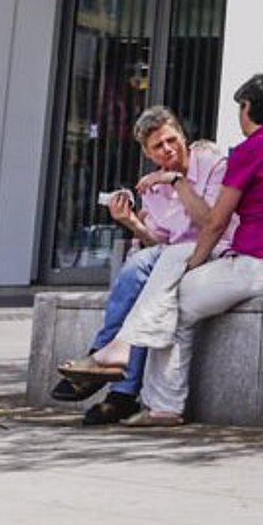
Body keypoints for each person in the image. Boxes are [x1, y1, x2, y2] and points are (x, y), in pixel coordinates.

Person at [103, 74, 263, 427]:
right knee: (173, 267)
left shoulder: (249, 150)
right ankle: (125, 349)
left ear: (247, 107)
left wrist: (195, 264)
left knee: (171, 301)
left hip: (258, 266)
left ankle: (163, 405)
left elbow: (216, 222)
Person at [54, 108, 229, 425]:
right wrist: (132, 222)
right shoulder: (152, 188)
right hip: (171, 260)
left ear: (182, 136)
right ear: (148, 153)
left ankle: (105, 364)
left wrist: (176, 182)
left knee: (138, 268)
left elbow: (211, 222)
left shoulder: (213, 165)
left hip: (212, 252)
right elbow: (156, 243)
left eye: (171, 140)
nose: (168, 149)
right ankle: (120, 390)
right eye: (158, 147)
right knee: (137, 269)